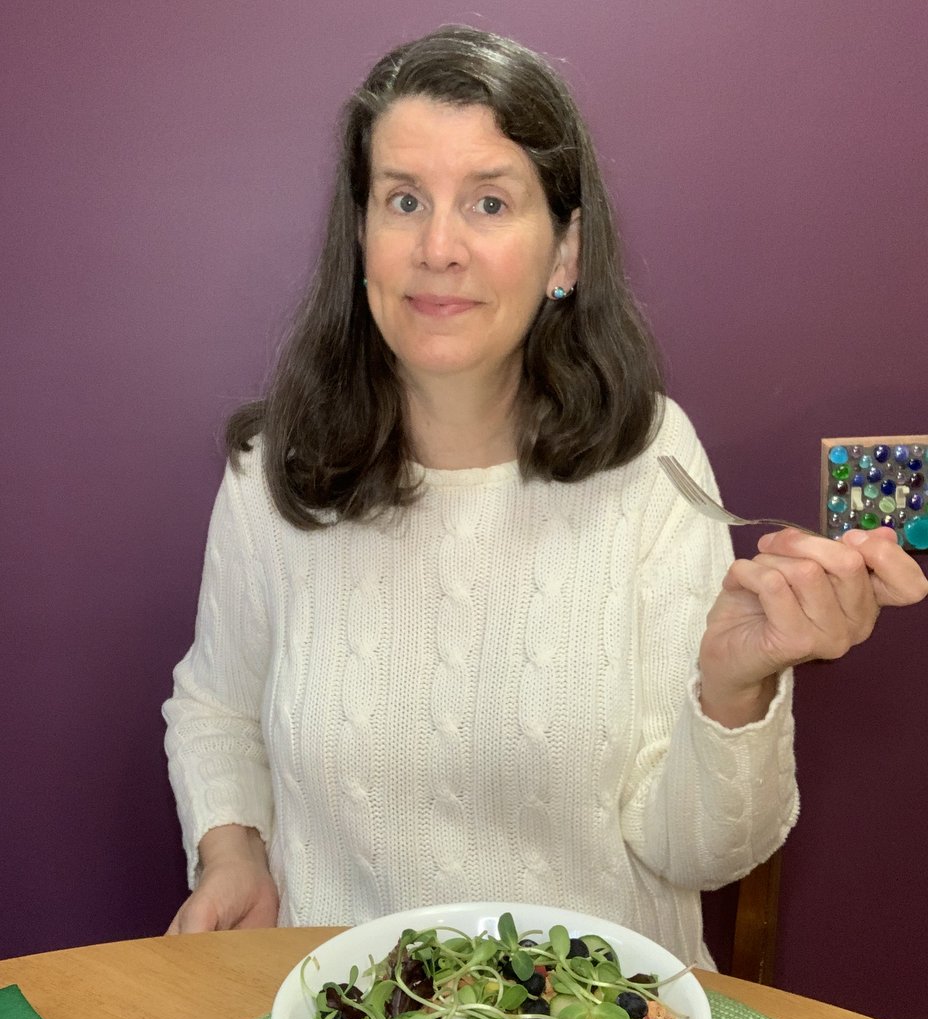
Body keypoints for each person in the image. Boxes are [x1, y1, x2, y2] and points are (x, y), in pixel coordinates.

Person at [163, 25, 926, 966]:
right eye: (403, 200)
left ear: (564, 252)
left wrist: (732, 692)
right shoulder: (270, 474)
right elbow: (217, 707)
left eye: (489, 202)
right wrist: (231, 851)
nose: (438, 248)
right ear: (360, 235)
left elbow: (705, 854)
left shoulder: (651, 460)